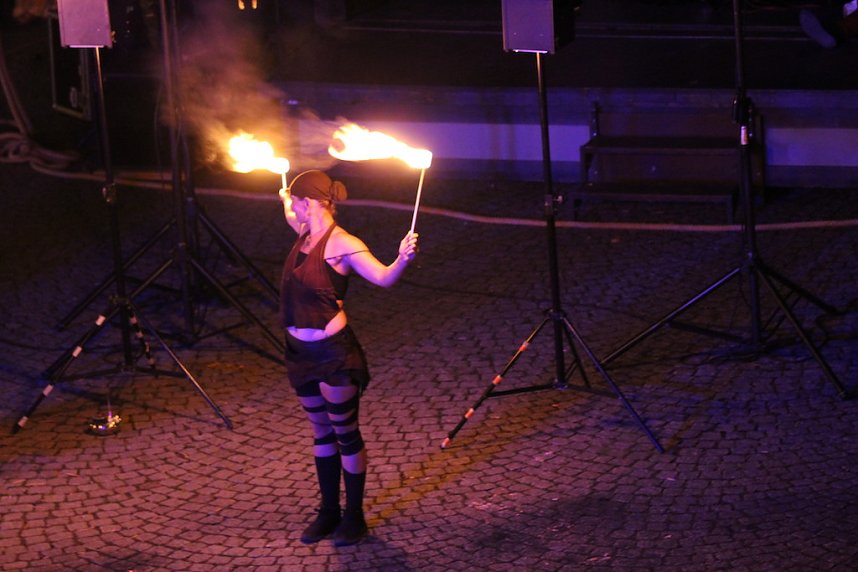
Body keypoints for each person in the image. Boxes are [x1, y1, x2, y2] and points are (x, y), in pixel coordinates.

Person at [277, 169, 419, 546]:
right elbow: (289, 214)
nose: (293, 210)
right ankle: (328, 512)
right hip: (299, 353)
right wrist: (284, 194)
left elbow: (384, 277)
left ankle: (354, 517)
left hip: (333, 355)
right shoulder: (304, 233)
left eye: (296, 203)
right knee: (320, 432)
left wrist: (402, 257)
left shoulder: (344, 244)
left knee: (344, 432)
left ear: (311, 204)